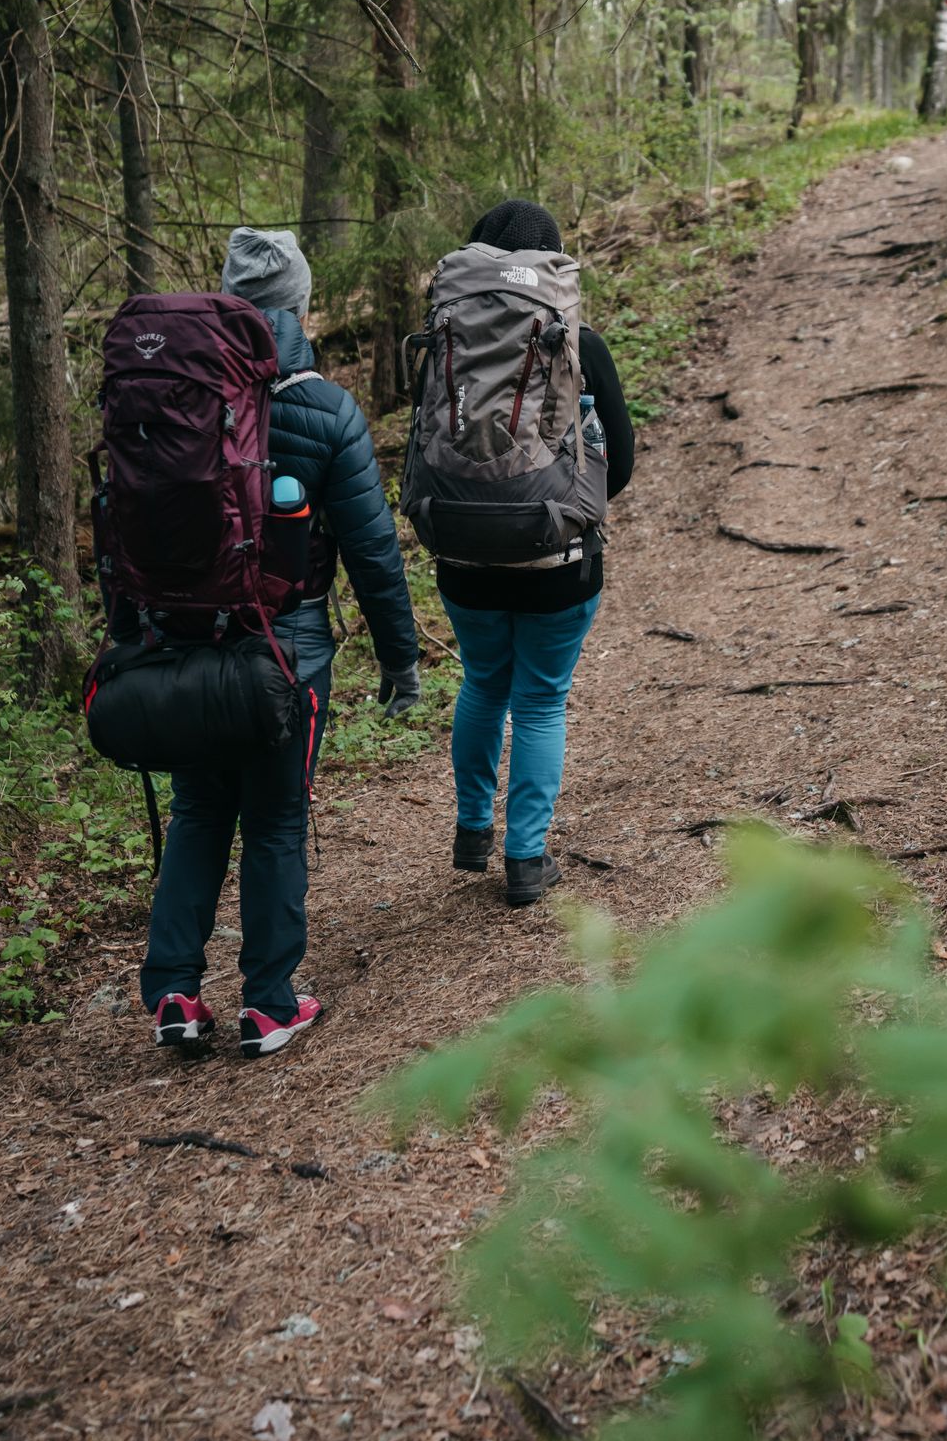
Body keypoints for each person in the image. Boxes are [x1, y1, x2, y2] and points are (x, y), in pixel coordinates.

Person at [140, 227, 421, 1059]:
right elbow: (372, 551)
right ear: (300, 306)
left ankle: (175, 996)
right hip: (283, 651)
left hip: (181, 641)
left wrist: (131, 641)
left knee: (198, 811)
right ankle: (268, 1002)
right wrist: (400, 660)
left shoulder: (172, 398)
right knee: (272, 819)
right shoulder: (325, 408)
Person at [437, 200, 634, 908]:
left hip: (461, 552)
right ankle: (525, 861)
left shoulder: (445, 336)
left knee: (483, 684)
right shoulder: (581, 341)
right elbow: (625, 465)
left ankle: (470, 830)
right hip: (557, 559)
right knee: (541, 703)